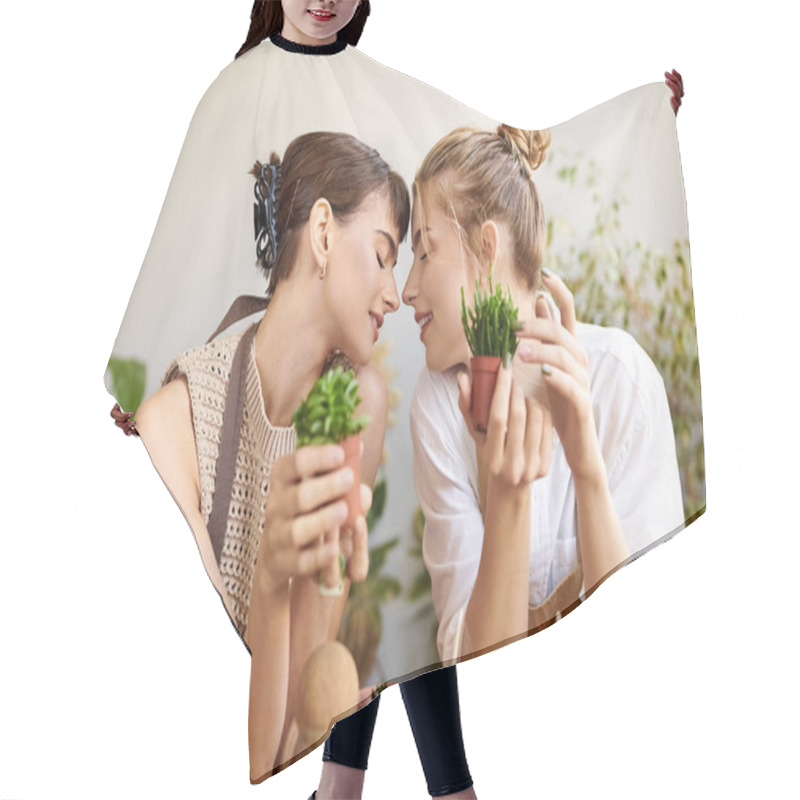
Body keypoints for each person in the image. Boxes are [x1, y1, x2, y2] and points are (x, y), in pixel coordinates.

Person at [134, 128, 410, 781]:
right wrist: (271, 579)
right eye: (381, 256)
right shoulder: (177, 420)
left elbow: (293, 727)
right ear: (321, 234)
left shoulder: (354, 407)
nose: (395, 294)